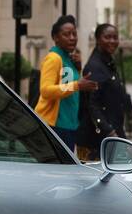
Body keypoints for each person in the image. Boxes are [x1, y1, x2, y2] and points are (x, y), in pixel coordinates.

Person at [34, 15, 97, 152]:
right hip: (54, 126)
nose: (72, 38)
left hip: (69, 125)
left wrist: (78, 68)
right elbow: (46, 90)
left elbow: (67, 89)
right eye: (66, 34)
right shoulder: (54, 58)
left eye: (74, 33)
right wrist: (77, 85)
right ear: (56, 38)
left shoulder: (69, 59)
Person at [77, 23, 131, 159]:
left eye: (115, 37)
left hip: (110, 137)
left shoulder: (108, 63)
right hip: (95, 141)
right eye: (107, 37)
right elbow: (92, 104)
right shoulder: (95, 66)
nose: (112, 41)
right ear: (98, 39)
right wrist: (110, 132)